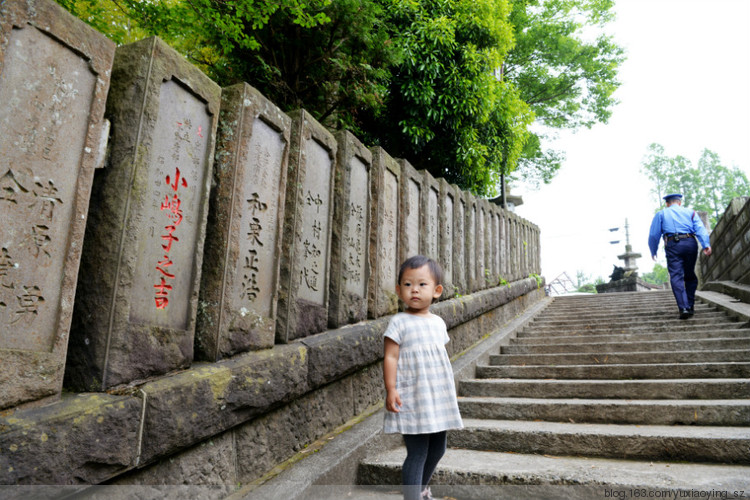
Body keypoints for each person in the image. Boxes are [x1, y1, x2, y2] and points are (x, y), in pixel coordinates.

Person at [383, 255, 463, 500]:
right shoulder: (399, 322)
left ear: (437, 291)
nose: (414, 290)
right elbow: (390, 358)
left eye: (422, 284)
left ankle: (420, 489)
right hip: (413, 397)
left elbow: (438, 359)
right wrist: (391, 389)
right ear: (399, 290)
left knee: (438, 449)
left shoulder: (438, 323)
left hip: (437, 397)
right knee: (417, 453)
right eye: (407, 285)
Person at [648, 193, 712, 319]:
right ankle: (690, 306)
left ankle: (683, 307)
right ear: (679, 202)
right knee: (690, 275)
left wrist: (653, 250)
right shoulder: (691, 213)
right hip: (690, 243)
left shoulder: (661, 214)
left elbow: (654, 235)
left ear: (667, 203)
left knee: (676, 276)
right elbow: (700, 229)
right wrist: (706, 244)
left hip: (673, 244)